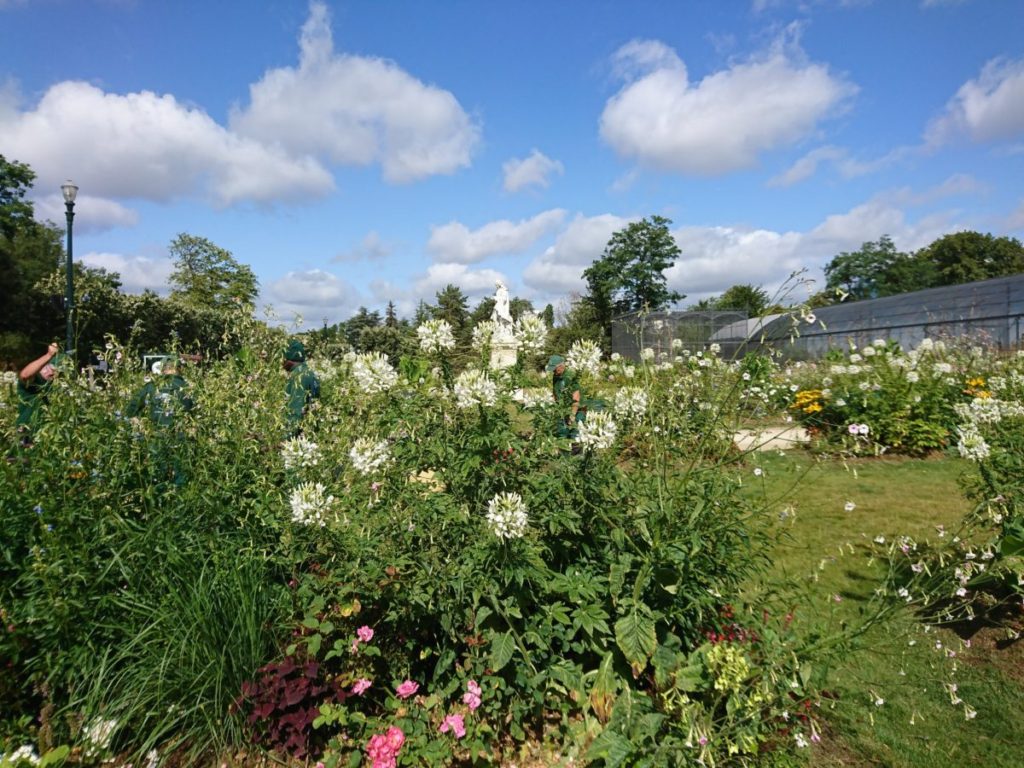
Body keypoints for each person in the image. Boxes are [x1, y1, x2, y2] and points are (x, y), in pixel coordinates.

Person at [15, 342, 64, 444]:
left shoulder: (56, 387)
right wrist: (49, 355)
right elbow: (25, 375)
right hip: (25, 434)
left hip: (45, 438)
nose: (51, 372)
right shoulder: (35, 381)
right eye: (49, 368)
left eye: (56, 371)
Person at [283, 339, 320, 434]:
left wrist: (287, 438)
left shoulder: (298, 376)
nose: (281, 362)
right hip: (310, 432)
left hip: (299, 437)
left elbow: (296, 410)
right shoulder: (309, 372)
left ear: (288, 358)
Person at [546, 354, 584, 438]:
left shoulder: (570, 376)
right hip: (561, 410)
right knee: (561, 435)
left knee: (575, 436)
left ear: (561, 366)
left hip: (575, 410)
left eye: (554, 369)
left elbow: (576, 397)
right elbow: (555, 391)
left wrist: (572, 415)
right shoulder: (556, 376)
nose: (553, 371)